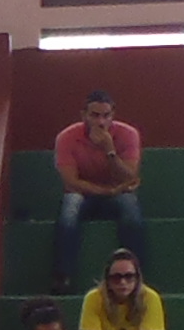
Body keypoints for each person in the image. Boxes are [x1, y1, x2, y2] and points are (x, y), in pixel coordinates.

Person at [51, 88, 145, 287]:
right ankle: (63, 277)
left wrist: (109, 151)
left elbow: (130, 176)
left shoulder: (128, 134)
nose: (101, 122)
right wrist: (106, 191)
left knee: (132, 213)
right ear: (84, 115)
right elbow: (71, 182)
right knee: (68, 212)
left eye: (106, 116)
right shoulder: (67, 137)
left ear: (113, 115)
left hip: (118, 194)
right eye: (94, 115)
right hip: (84, 194)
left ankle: (136, 276)